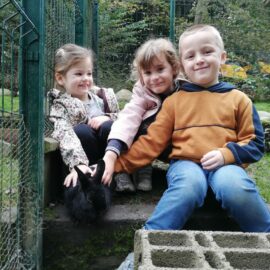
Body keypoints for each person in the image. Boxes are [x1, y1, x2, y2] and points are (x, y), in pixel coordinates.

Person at [109, 24, 270, 270]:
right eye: (191, 56)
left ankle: (265, 236)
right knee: (188, 185)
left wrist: (227, 154)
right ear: (182, 65)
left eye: (207, 52)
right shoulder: (174, 102)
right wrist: (113, 165)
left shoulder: (239, 99)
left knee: (235, 186)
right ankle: (146, 244)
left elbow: (255, 143)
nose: (199, 60)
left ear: (222, 57)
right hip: (186, 165)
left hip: (227, 166)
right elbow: (151, 144)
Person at [103, 38, 184, 192]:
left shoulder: (186, 90)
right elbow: (128, 118)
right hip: (148, 143)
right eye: (147, 72)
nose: (154, 77)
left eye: (160, 69)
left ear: (174, 68)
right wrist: (112, 151)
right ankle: (137, 169)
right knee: (129, 124)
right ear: (141, 75)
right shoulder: (142, 92)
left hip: (177, 146)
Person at [48, 43, 119, 188]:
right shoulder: (61, 106)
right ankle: (89, 180)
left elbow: (124, 120)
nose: (86, 78)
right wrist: (78, 164)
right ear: (61, 78)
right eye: (79, 74)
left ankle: (118, 175)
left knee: (108, 126)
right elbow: (65, 134)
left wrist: (108, 117)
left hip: (108, 157)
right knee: (82, 131)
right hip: (83, 157)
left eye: (89, 73)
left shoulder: (103, 99)